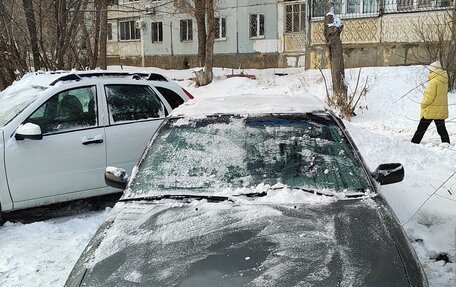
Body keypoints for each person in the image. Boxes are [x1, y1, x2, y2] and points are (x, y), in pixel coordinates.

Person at [411, 60, 450, 144]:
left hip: (431, 109)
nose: (429, 72)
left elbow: (429, 97)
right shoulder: (444, 81)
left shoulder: (433, 82)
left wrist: (423, 105)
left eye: (430, 70)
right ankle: (446, 143)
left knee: (421, 128)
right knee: (441, 128)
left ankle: (414, 143)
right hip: (440, 108)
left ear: (433, 71)